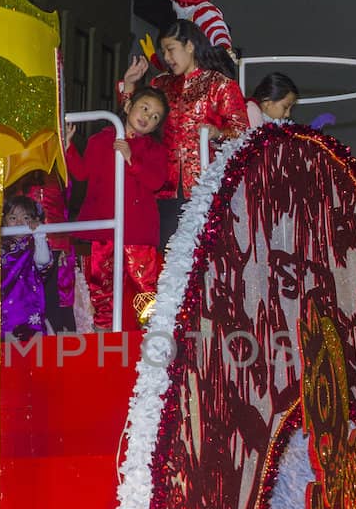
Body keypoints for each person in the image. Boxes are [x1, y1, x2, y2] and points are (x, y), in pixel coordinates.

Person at [121, 19, 248, 245]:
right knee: (162, 252)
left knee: (199, 256)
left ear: (189, 45)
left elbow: (243, 132)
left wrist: (218, 132)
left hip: (205, 187)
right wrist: (130, 86)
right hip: (160, 184)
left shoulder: (220, 84)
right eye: (163, 52)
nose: (167, 58)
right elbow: (135, 123)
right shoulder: (160, 84)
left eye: (171, 49)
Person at [67, 88, 170, 330]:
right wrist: (69, 146)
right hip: (104, 232)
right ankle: (104, 339)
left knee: (144, 287)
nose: (148, 117)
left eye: (155, 117)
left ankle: (149, 339)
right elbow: (82, 172)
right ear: (127, 107)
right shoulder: (100, 140)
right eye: (145, 108)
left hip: (138, 233)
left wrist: (131, 158)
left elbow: (156, 181)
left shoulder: (154, 150)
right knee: (102, 288)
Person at [0, 195, 73, 340]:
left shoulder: (33, 244)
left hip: (30, 313)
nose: (19, 223)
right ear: (4, 221)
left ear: (32, 220)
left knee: (33, 353)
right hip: (2, 313)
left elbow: (43, 261)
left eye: (25, 218)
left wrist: (39, 233)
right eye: (13, 218)